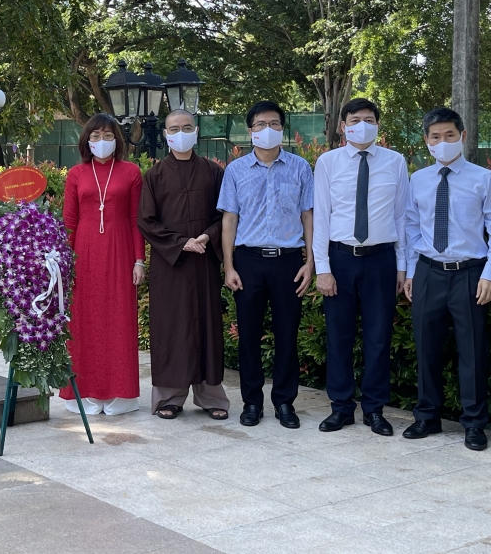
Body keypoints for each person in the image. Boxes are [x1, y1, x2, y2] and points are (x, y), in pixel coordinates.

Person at [402, 107, 491, 451]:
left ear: (462, 136)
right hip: (430, 273)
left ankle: (474, 424)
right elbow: (410, 228)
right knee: (426, 348)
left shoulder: (483, 178)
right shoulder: (417, 179)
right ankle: (427, 417)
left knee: (472, 352)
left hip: (470, 273)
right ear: (426, 141)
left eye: (449, 135)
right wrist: (413, 273)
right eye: (435, 137)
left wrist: (490, 273)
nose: (443, 142)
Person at [313, 98, 409, 436]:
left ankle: (374, 409)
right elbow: (321, 218)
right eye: (355, 119)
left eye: (369, 119)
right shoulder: (327, 162)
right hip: (340, 258)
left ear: (378, 125)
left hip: (381, 259)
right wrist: (322, 268)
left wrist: (402, 266)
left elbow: (402, 216)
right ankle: (341, 408)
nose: (362, 125)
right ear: (343, 126)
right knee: (339, 336)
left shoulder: (396, 162)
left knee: (379, 337)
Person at [219, 101, 314, 428]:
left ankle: (285, 403)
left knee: (287, 334)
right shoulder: (235, 170)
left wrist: (310, 262)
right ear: (250, 130)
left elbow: (308, 216)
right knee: (248, 335)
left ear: (283, 129)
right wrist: (229, 266)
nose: (267, 129)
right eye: (260, 124)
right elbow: (229, 220)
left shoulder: (301, 168)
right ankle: (251, 402)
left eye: (274, 123)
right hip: (248, 261)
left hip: (288, 261)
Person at [139, 110, 229, 420]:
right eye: (174, 129)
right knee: (171, 328)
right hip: (171, 265)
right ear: (165, 134)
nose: (181, 133)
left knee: (207, 327)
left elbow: (225, 216)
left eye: (186, 127)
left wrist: (206, 236)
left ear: (197, 130)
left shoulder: (213, 172)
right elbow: (146, 221)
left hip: (204, 261)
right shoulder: (154, 176)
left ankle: (211, 396)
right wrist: (180, 243)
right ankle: (170, 397)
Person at [60, 113, 145, 415]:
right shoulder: (76, 174)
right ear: (86, 141)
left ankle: (120, 394)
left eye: (108, 135)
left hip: (120, 252)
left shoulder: (132, 172)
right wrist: (63, 262)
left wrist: (139, 260)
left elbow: (136, 220)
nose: (101, 141)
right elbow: (69, 222)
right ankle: (84, 393)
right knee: (84, 321)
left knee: (118, 320)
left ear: (116, 140)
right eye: (95, 136)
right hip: (83, 255)